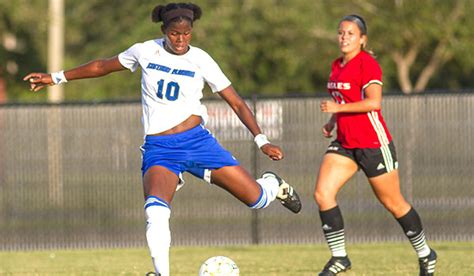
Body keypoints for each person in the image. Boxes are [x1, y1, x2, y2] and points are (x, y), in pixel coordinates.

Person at [24, 3, 301, 276]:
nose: (180, 40)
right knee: (156, 213)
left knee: (256, 200)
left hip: (198, 143)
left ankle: (271, 184)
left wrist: (261, 140)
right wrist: (55, 77)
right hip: (160, 150)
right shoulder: (145, 51)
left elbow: (237, 103)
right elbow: (101, 66)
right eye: (174, 34)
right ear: (163, 30)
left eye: (186, 34)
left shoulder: (201, 59)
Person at [314, 15, 437, 276]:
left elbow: (374, 103)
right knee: (322, 194)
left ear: (362, 39)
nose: (344, 37)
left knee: (394, 203)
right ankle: (339, 258)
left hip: (373, 143)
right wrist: (332, 120)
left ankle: (426, 253)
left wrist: (338, 108)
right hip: (346, 143)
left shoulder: (367, 64)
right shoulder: (337, 65)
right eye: (341, 33)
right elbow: (343, 98)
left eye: (350, 33)